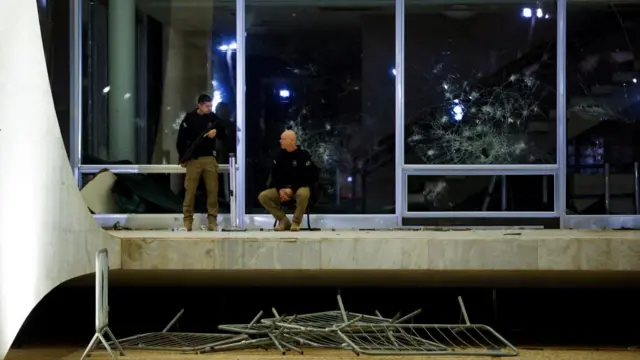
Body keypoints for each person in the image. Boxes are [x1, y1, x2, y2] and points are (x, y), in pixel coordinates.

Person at [176, 94, 226, 231]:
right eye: (207, 106)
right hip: (194, 159)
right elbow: (181, 140)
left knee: (213, 190)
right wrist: (184, 157)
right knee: (190, 191)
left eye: (211, 105)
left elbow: (223, 131)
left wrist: (216, 132)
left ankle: (212, 221)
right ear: (199, 105)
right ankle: (187, 221)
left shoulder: (213, 118)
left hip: (209, 158)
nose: (209, 108)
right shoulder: (189, 118)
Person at [258, 130, 319, 231]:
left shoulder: (303, 155)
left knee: (303, 193)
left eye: (283, 139)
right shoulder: (278, 156)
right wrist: (280, 190)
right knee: (263, 196)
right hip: (283, 189)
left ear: (292, 141)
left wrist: (292, 189)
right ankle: (283, 220)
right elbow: (274, 176)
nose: (280, 141)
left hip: (299, 187)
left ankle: (296, 222)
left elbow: (309, 177)